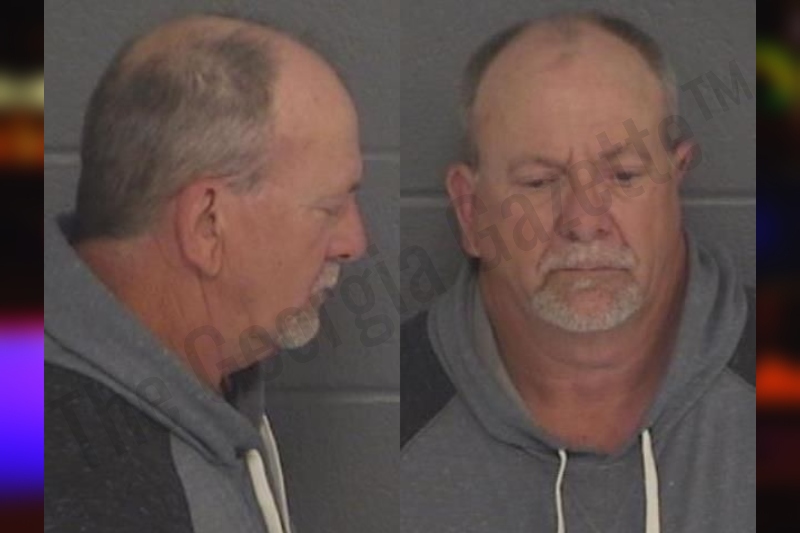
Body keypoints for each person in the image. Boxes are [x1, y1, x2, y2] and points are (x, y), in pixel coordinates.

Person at [401, 12, 755, 533]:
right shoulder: (400, 420)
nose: (584, 222)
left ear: (676, 182)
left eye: (624, 175)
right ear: (471, 211)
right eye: (539, 182)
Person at [45, 14, 367, 533]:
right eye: (329, 209)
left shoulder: (195, 384)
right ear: (206, 224)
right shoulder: (105, 497)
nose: (354, 243)